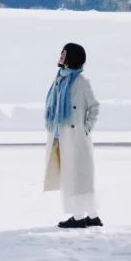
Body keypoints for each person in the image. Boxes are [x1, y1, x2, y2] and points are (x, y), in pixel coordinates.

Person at [43, 42, 102, 229]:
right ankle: (92, 216)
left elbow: (94, 107)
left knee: (77, 177)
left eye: (64, 53)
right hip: (61, 136)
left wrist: (85, 129)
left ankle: (78, 218)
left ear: (72, 58)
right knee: (73, 177)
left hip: (76, 138)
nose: (61, 56)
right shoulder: (59, 79)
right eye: (61, 52)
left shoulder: (81, 81)